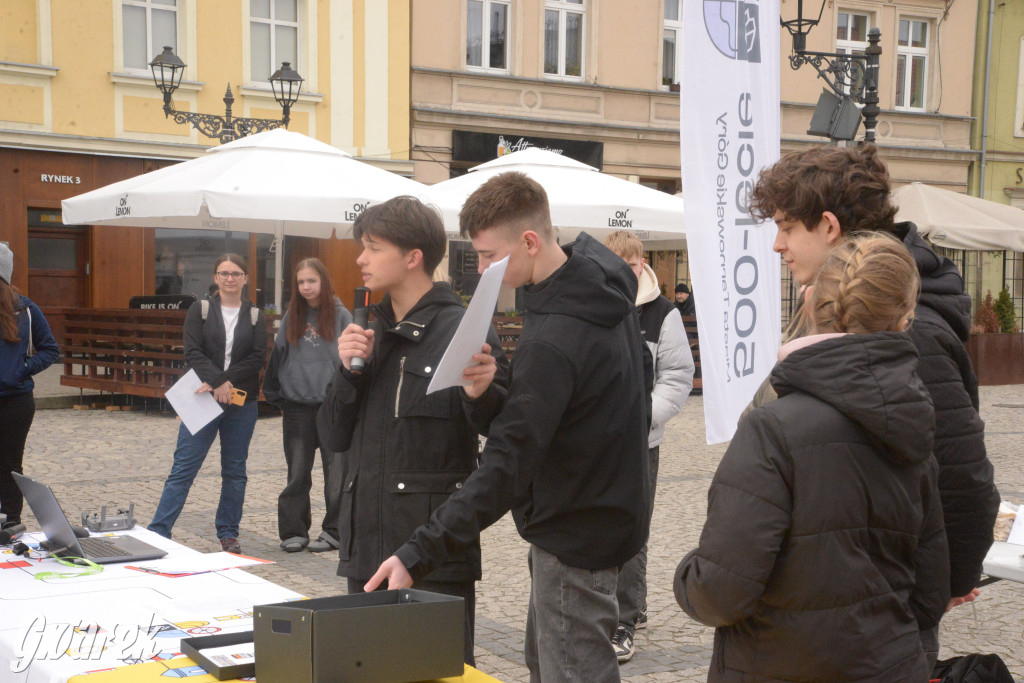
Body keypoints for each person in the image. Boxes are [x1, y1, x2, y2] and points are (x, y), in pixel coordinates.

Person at [364, 173, 651, 683]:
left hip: (575, 529)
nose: (481, 269)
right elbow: (559, 412)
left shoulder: (556, 334)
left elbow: (507, 463)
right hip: (603, 511)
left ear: (531, 242)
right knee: (546, 662)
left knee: (570, 671)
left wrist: (419, 551)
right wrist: (486, 392)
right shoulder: (594, 287)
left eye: (489, 255)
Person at [747, 144, 1000, 667]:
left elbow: (964, 478)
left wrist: (941, 589)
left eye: (788, 228)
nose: (777, 245)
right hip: (835, 607)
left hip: (884, 617)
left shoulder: (913, 332)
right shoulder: (830, 304)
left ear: (831, 228)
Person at [676, 233, 950, 681]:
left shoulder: (772, 429)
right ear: (904, 322)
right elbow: (930, 592)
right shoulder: (915, 428)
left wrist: (687, 575)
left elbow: (721, 591)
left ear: (810, 307)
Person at [318, 196, 509, 665]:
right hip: (364, 552)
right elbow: (332, 436)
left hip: (431, 555)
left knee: (435, 673)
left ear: (412, 257)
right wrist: (347, 372)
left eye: (373, 247)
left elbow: (505, 435)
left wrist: (481, 393)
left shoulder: (465, 327)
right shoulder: (368, 330)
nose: (361, 259)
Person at [603, 231, 694, 662]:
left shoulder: (662, 314)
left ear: (642, 265)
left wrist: (643, 419)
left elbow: (677, 376)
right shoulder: (593, 306)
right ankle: (609, 606)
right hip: (596, 442)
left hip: (641, 441)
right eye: (617, 261)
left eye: (633, 262)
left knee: (633, 527)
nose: (626, 269)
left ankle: (625, 615)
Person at [148, 254, 268, 555]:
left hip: (241, 403)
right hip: (201, 398)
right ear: (215, 277)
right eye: (224, 273)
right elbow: (193, 351)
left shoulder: (255, 315)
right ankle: (159, 530)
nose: (230, 279)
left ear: (245, 278)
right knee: (184, 467)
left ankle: (228, 533)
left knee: (235, 471)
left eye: (236, 273)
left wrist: (224, 381)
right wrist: (218, 383)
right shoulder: (200, 310)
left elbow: (257, 358)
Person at [263, 258, 352, 554]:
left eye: (311, 281)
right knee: (298, 473)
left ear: (323, 281)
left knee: (336, 474)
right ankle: (294, 530)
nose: (306, 287)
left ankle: (334, 531)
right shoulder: (293, 315)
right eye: (301, 282)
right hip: (298, 406)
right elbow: (278, 355)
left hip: (332, 408)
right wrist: (275, 393)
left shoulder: (341, 316)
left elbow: (353, 361)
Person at [0, 243, 60, 530]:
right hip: (17, 396)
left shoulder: (25, 309)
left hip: (16, 400)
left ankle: (11, 523)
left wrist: (22, 369)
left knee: (10, 465)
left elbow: (50, 349)